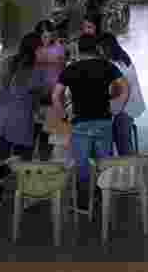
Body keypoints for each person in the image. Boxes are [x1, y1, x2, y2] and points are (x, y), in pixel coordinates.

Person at [52, 35, 128, 188]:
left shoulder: (71, 68)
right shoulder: (107, 66)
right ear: (97, 49)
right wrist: (117, 108)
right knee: (103, 162)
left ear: (78, 50)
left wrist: (62, 115)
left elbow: (56, 94)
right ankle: (103, 194)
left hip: (80, 121)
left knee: (81, 163)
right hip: (103, 121)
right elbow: (125, 88)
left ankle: (84, 200)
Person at [0, 34, 52, 161]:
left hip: (0, 114)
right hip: (19, 117)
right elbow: (42, 94)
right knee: (23, 163)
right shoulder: (37, 68)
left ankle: (2, 178)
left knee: (2, 159)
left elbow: (4, 85)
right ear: (36, 49)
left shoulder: (9, 61)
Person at [100, 33, 145, 155]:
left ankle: (116, 165)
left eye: (100, 49)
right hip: (128, 104)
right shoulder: (122, 56)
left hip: (124, 107)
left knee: (118, 141)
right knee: (120, 140)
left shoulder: (114, 65)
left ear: (105, 48)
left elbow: (114, 92)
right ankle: (127, 166)